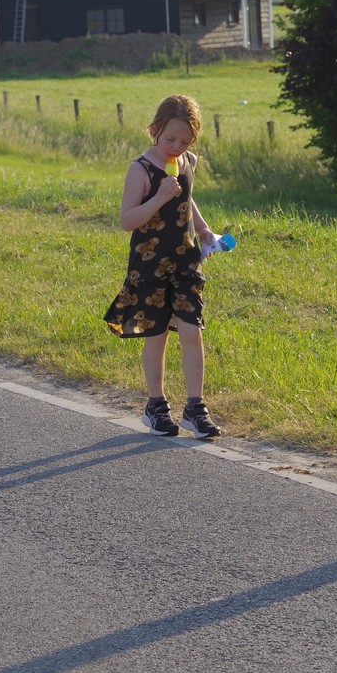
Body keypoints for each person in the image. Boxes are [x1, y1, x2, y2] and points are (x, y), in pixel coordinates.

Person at [103, 94, 223, 440]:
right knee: (155, 337)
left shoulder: (187, 161)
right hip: (150, 264)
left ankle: (195, 408)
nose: (176, 147)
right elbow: (127, 220)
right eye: (170, 138)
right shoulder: (140, 170)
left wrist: (203, 230)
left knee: (192, 331)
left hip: (185, 261)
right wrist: (158, 198)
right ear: (155, 129)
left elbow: (187, 199)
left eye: (185, 141)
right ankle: (155, 406)